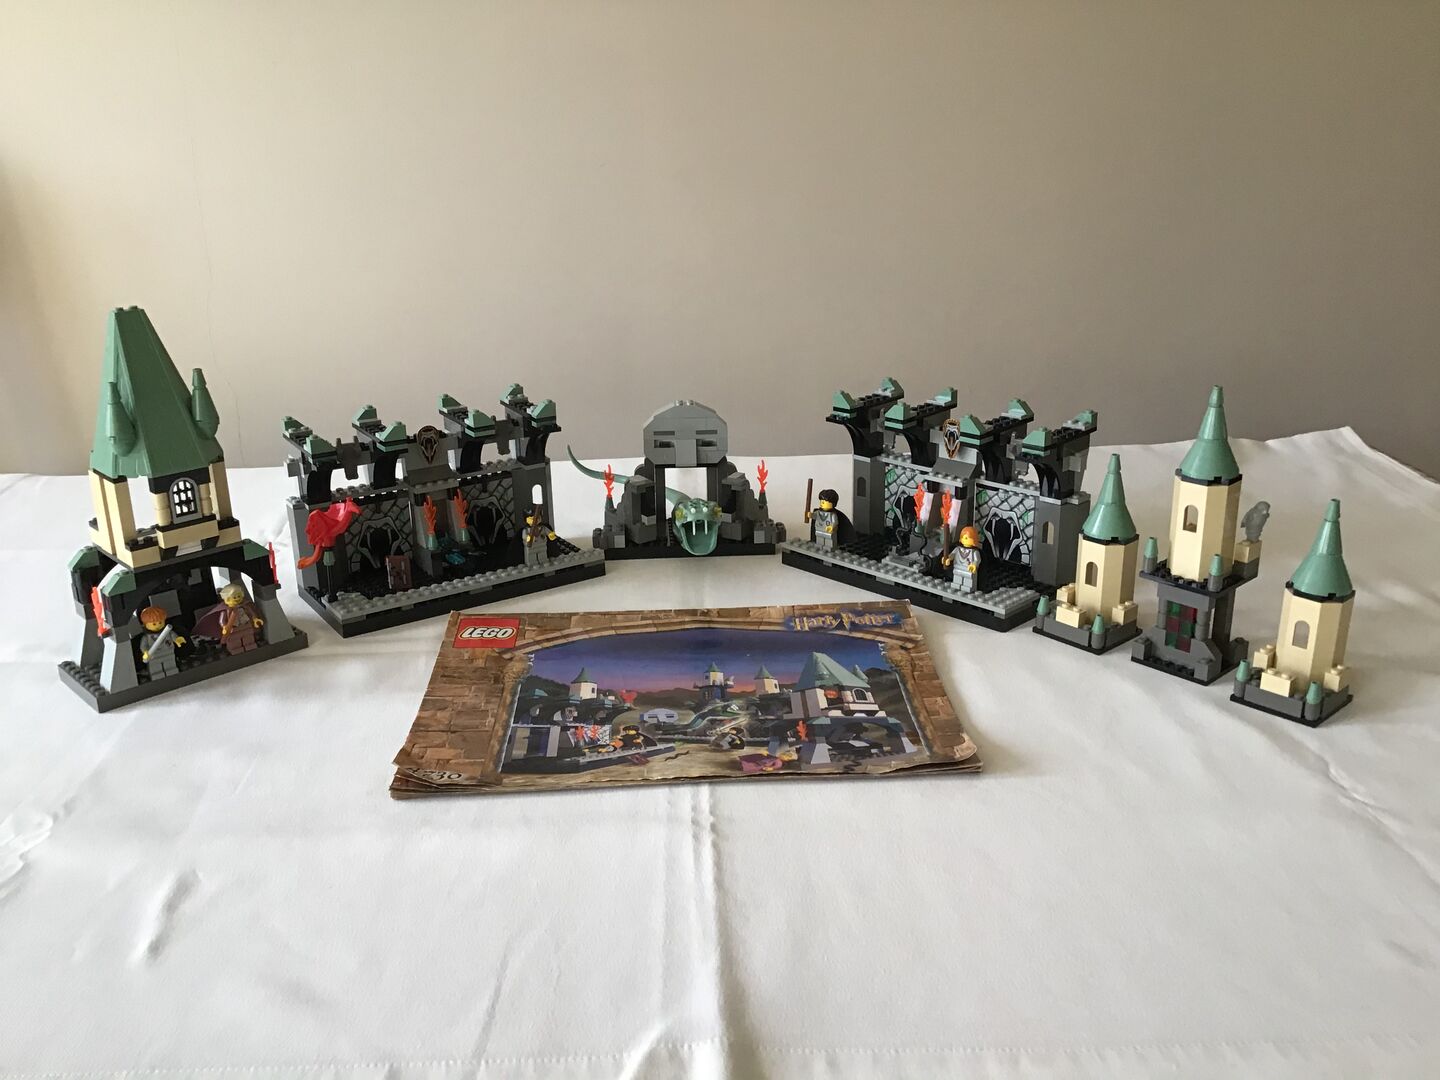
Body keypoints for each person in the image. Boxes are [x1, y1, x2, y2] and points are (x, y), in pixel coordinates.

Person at [138, 606, 185, 680]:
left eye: (160, 622)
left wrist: (177, 640)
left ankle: (174, 678)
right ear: (145, 624)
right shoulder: (146, 637)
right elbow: (143, 646)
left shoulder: (167, 632)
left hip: (168, 653)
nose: (158, 625)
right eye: (154, 624)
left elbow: (173, 636)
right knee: (156, 671)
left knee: (171, 667)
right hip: (154, 656)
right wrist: (145, 652)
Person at [216, 582, 264, 654]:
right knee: (235, 642)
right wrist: (224, 626)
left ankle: (251, 649)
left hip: (246, 625)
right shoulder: (226, 610)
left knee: (248, 639)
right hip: (234, 629)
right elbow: (222, 620)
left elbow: (251, 613)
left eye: (238, 596)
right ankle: (236, 651)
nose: (237, 599)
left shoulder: (244, 606)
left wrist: (255, 619)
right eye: (234, 597)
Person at [943, 524, 984, 593]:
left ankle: (968, 588)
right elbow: (952, 555)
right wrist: (948, 559)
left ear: (974, 539)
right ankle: (957, 586)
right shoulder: (957, 549)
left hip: (969, 570)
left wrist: (974, 565)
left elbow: (977, 560)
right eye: (963, 537)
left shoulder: (974, 552)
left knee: (968, 581)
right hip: (958, 567)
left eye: (967, 538)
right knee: (957, 579)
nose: (964, 539)